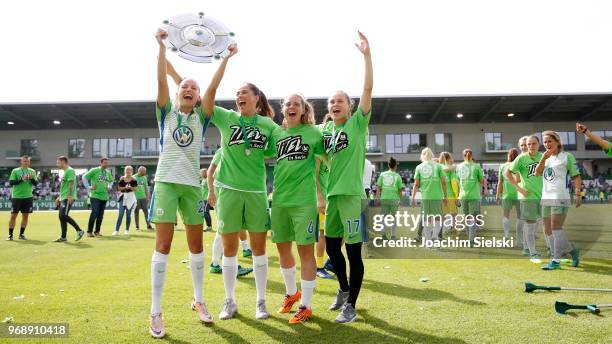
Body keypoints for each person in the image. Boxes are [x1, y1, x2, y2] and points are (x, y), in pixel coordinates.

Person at [203, 42, 280, 321]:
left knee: (259, 249)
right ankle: (230, 301)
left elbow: (280, 146)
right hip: (229, 191)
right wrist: (224, 60)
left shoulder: (268, 125)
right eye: (236, 94)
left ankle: (260, 302)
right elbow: (207, 99)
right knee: (230, 249)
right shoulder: (227, 118)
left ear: (256, 98)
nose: (239, 96)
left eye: (244, 92)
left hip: (257, 192)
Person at [148, 29, 213, 339]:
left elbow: (206, 88)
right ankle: (156, 312)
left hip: (193, 188)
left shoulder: (202, 116)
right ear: (177, 93)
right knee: (163, 245)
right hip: (166, 183)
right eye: (184, 86)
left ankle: (199, 301)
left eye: (194, 88)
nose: (189, 88)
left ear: (198, 97)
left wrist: (225, 56)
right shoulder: (166, 113)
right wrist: (161, 47)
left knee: (197, 246)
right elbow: (163, 80)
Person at [320, 31, 373, 323]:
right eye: (331, 102)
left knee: (353, 253)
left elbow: (367, 88)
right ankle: (343, 288)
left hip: (352, 196)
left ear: (349, 106)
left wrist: (366, 55)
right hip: (332, 197)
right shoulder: (325, 131)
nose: (335, 104)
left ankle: (350, 306)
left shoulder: (356, 124)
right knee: (330, 248)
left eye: (340, 100)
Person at [266, 93, 324, 324]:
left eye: (296, 104)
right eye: (287, 104)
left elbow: (322, 164)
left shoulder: (314, 134)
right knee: (282, 249)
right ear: (283, 110)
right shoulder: (276, 134)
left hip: (304, 202)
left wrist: (320, 194)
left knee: (305, 252)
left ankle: (306, 305)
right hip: (279, 200)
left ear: (303, 110)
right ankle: (291, 294)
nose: (291, 106)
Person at [536, 131, 581, 270]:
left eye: (550, 141)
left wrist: (578, 194)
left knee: (556, 229)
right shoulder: (546, 158)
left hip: (560, 196)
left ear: (557, 142)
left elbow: (576, 176)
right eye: (545, 142)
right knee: (547, 230)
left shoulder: (567, 157)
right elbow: (537, 172)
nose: (547, 144)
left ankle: (555, 260)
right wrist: (543, 158)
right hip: (546, 197)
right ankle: (572, 250)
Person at [205, 149, 253, 277]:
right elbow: (211, 171)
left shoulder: (233, 150)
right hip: (223, 194)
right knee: (224, 230)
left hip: (229, 194)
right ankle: (219, 264)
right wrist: (211, 191)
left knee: (228, 229)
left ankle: (217, 263)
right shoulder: (223, 150)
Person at [505, 135, 543, 263]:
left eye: (533, 143)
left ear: (539, 144)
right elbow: (507, 173)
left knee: (542, 223)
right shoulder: (521, 158)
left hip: (543, 196)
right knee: (530, 225)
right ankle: (532, 252)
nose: (531, 146)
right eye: (528, 144)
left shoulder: (543, 157)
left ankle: (530, 248)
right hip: (527, 197)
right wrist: (519, 188)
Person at [411, 149, 447, 242]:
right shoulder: (438, 166)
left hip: (426, 197)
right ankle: (435, 235)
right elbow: (443, 182)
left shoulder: (419, 167)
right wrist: (445, 196)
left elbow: (416, 184)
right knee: (438, 217)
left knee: (427, 218)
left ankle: (428, 240)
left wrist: (413, 197)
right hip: (437, 196)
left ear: (422, 156)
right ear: (432, 155)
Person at [315, 114, 334, 279]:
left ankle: (330, 261)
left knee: (339, 232)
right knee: (322, 233)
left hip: (334, 198)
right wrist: (319, 197)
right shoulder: (319, 152)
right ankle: (318, 266)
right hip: (322, 199)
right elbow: (313, 176)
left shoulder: (334, 154)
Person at [456, 149, 486, 243]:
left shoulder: (459, 166)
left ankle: (470, 237)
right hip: (474, 196)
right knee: (473, 217)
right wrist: (485, 188)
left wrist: (457, 196)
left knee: (466, 217)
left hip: (463, 196)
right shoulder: (477, 166)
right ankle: (471, 239)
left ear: (463, 156)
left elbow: (457, 182)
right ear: (472, 155)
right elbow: (481, 180)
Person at [53, 156, 85, 243]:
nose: (57, 164)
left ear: (63, 162)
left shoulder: (70, 170)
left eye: (58, 162)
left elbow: (71, 184)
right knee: (61, 217)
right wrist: (59, 197)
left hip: (68, 197)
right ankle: (63, 237)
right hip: (63, 197)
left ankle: (79, 231)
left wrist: (70, 196)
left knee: (63, 215)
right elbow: (64, 187)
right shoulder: (65, 172)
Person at [7, 156, 37, 241]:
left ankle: (21, 234)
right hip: (16, 197)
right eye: (24, 161)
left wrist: (31, 179)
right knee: (13, 216)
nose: (26, 163)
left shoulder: (32, 171)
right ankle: (10, 235)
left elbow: (36, 184)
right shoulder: (15, 171)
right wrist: (21, 179)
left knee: (25, 216)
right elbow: (11, 182)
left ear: (29, 162)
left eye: (27, 161)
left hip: (28, 197)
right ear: (21, 162)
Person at [83, 158, 113, 237]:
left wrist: (109, 186)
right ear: (101, 163)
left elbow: (111, 181)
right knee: (95, 213)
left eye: (107, 163)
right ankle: (89, 231)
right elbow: (84, 177)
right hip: (95, 195)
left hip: (104, 196)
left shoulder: (108, 172)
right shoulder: (94, 170)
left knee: (101, 215)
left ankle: (97, 231)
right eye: (105, 163)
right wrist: (88, 187)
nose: (106, 164)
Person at [376, 157, 404, 239]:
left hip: (384, 198)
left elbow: (378, 187)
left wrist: (377, 197)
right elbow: (400, 190)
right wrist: (400, 200)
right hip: (394, 199)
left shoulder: (382, 174)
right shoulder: (398, 176)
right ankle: (393, 235)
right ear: (395, 166)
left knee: (383, 217)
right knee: (394, 217)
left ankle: (383, 234)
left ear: (388, 165)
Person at [496, 149, 520, 240]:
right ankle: (519, 235)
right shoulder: (519, 165)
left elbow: (500, 182)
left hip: (507, 195)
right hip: (519, 194)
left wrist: (497, 195)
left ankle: (506, 235)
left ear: (508, 156)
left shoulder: (502, 166)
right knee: (520, 216)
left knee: (506, 215)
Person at [438, 152, 459, 236]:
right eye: (451, 158)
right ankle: (452, 228)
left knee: (443, 214)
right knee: (454, 214)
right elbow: (454, 184)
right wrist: (456, 197)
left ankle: (440, 230)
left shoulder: (438, 167)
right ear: (447, 159)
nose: (452, 159)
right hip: (450, 195)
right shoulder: (451, 170)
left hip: (440, 195)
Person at [113, 166, 138, 236]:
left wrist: (130, 187)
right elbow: (119, 188)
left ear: (132, 171)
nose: (128, 171)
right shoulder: (122, 178)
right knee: (120, 214)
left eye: (130, 170)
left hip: (130, 197)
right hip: (123, 196)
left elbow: (135, 189)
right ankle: (116, 230)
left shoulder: (134, 179)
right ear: (125, 171)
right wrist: (125, 187)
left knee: (128, 215)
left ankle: (127, 230)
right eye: (127, 170)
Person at [134, 166, 153, 231]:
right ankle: (137, 226)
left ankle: (148, 225)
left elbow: (146, 188)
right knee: (136, 212)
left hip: (143, 198)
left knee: (146, 212)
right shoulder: (133, 177)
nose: (145, 172)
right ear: (140, 171)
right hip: (136, 198)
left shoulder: (144, 178)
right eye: (144, 171)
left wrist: (147, 197)